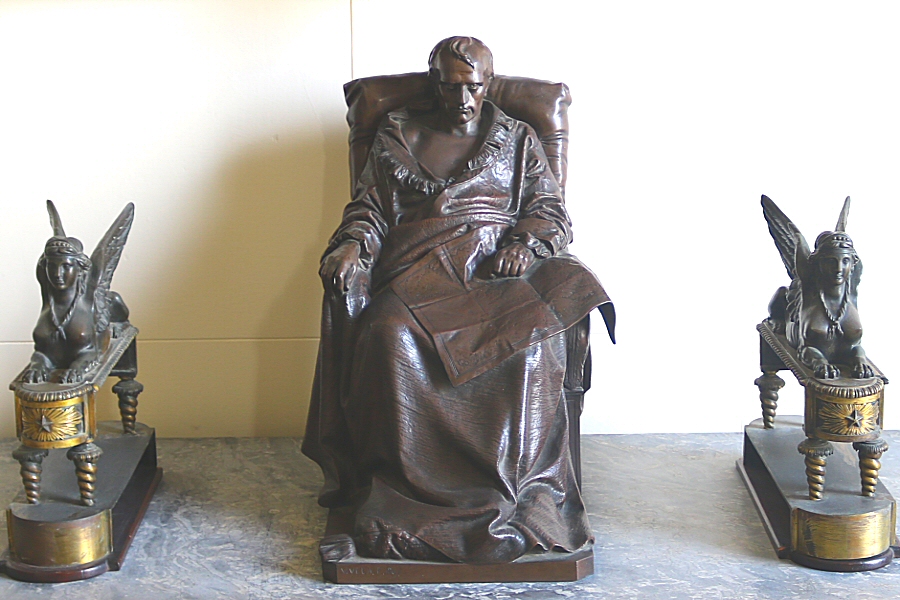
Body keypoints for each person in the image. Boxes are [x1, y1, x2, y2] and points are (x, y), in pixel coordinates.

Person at [304, 36, 611, 564]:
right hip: (417, 272)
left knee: (530, 348)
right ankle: (403, 500)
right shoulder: (396, 134)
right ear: (434, 83)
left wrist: (524, 242)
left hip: (495, 275)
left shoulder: (516, 139)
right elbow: (371, 208)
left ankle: (511, 499)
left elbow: (550, 210)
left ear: (488, 84)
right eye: (451, 87)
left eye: (474, 87)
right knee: (387, 335)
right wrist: (354, 243)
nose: (463, 100)